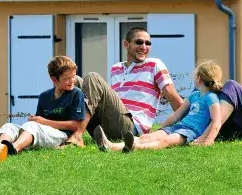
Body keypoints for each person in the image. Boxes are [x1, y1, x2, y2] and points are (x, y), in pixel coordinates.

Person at [68, 27, 184, 146]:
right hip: (107, 126)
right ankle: (63, 134)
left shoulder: (155, 64)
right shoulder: (115, 69)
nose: (144, 47)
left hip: (131, 127)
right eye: (139, 42)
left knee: (93, 77)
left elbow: (174, 98)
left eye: (148, 43)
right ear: (126, 44)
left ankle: (78, 135)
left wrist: (191, 128)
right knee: (75, 81)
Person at [95, 60, 224, 152]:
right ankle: (110, 145)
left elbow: (216, 122)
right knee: (147, 137)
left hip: (190, 132)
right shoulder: (194, 96)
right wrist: (161, 129)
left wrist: (207, 142)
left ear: (199, 78)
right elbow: (176, 115)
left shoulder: (211, 98)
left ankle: (133, 147)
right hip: (178, 127)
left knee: (165, 142)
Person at [0, 56, 85, 155]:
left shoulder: (77, 94)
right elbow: (38, 123)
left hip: (62, 135)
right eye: (67, 78)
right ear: (54, 80)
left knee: (32, 126)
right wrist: (35, 119)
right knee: (9, 126)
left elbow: (77, 126)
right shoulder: (44, 96)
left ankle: (14, 149)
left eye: (73, 76)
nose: (72, 81)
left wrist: (43, 121)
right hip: (44, 132)